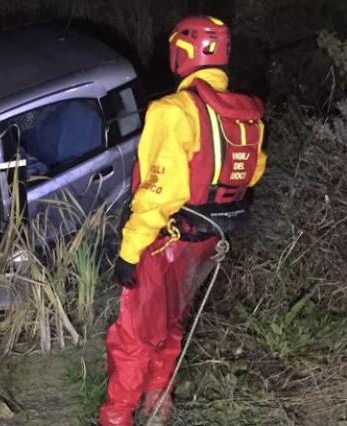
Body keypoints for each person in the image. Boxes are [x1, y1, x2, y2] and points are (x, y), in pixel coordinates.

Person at [98, 15, 267, 426]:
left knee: (135, 337)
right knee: (171, 325)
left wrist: (130, 250)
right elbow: (254, 171)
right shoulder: (245, 114)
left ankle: (115, 419)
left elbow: (159, 192)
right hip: (206, 244)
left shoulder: (174, 111)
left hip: (165, 239)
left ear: (183, 53)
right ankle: (159, 411)